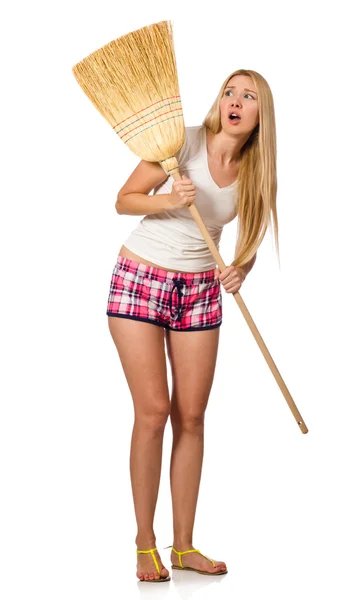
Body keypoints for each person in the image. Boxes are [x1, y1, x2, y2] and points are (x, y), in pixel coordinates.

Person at [106, 69, 279, 583]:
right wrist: (168, 199)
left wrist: (238, 270)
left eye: (248, 96)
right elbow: (123, 199)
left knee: (193, 417)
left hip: (200, 291)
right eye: (230, 91)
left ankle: (182, 546)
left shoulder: (257, 173)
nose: (235, 101)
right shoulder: (181, 143)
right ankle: (144, 543)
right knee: (154, 411)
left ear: (259, 115)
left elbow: (246, 245)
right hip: (141, 276)